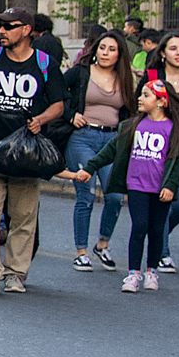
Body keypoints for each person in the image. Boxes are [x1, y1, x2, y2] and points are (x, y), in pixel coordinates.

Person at [0, 7, 67, 293]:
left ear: (26, 30)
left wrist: (42, 119)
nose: (2, 31)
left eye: (9, 26)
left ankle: (15, 273)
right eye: (1, 26)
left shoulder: (45, 64)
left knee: (23, 216)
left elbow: (59, 104)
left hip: (26, 153)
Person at [73, 77, 179, 291]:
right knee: (140, 226)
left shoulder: (176, 130)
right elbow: (111, 150)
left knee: (156, 230)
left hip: (161, 189)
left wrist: (171, 186)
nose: (140, 99)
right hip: (137, 186)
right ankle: (133, 274)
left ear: (161, 101)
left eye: (146, 95)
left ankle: (151, 271)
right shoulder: (133, 125)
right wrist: (90, 168)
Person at [64, 29, 130, 271]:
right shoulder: (81, 72)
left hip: (112, 140)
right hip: (82, 138)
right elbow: (57, 92)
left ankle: (102, 244)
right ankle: (80, 252)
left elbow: (133, 107)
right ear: (95, 49)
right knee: (87, 195)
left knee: (114, 196)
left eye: (112, 49)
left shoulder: (125, 78)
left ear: (119, 54)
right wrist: (71, 115)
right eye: (102, 48)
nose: (106, 53)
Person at [139, 32, 179, 271]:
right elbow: (138, 106)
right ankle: (162, 253)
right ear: (163, 52)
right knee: (164, 198)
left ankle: (159, 236)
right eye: (173, 48)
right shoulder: (153, 76)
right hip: (156, 148)